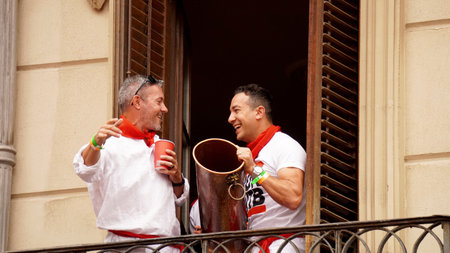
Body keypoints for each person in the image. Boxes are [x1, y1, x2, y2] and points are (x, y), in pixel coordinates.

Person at [73, 75, 189, 253]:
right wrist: (95, 144)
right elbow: (84, 170)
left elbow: (179, 199)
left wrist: (176, 178)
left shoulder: (158, 144)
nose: (164, 109)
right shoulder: (109, 143)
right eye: (159, 102)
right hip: (126, 248)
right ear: (137, 102)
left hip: (167, 248)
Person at [228, 84, 307, 253]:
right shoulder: (251, 156)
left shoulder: (284, 145)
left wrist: (254, 169)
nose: (230, 118)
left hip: (283, 246)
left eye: (236, 110)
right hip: (255, 247)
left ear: (259, 112)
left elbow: (293, 196)